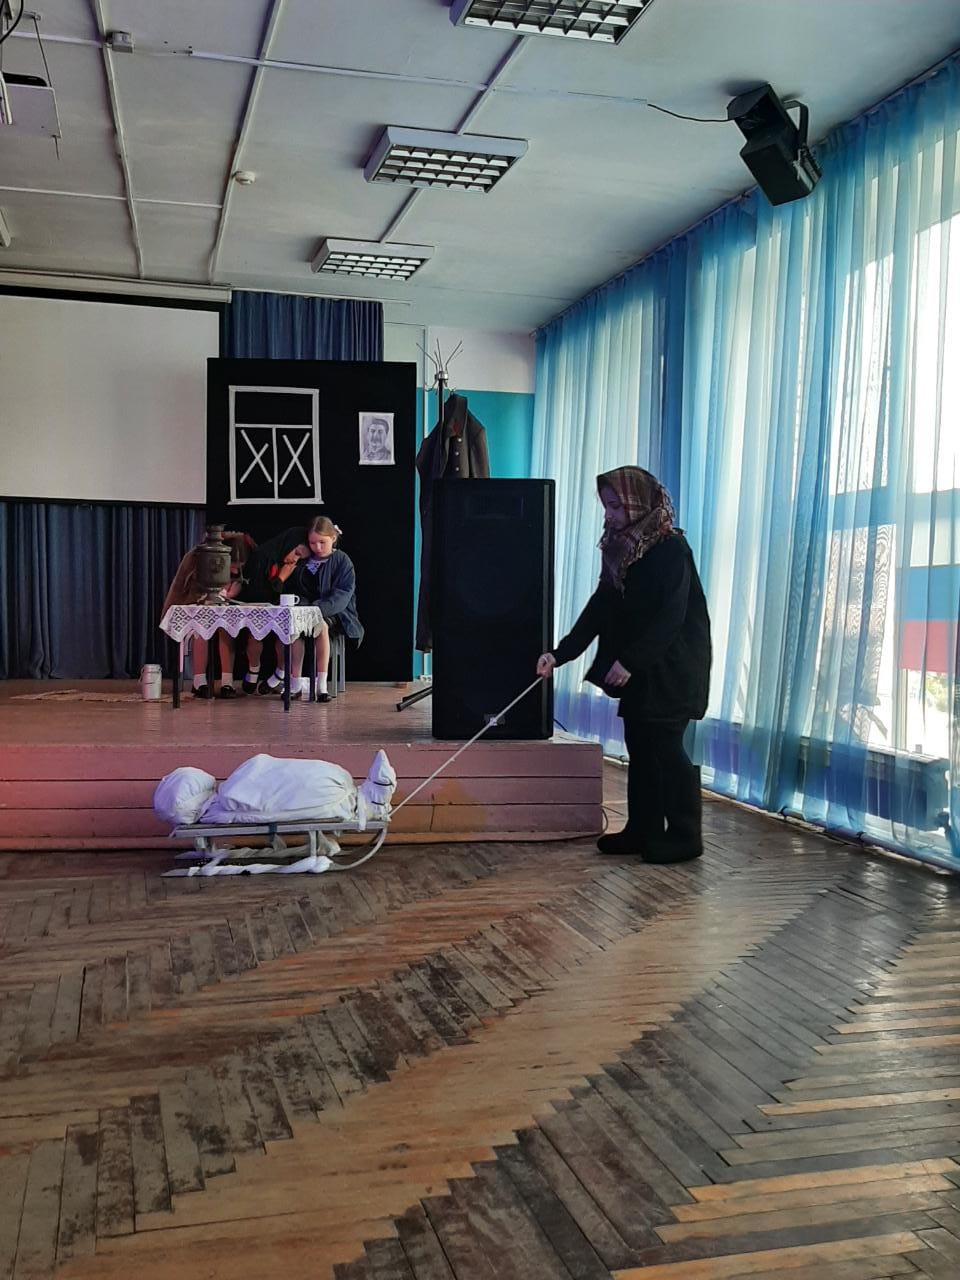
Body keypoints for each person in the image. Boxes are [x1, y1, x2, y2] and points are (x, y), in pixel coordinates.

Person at [537, 466, 711, 863]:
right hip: (640, 668)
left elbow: (670, 616)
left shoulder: (671, 549)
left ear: (636, 502)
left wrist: (630, 661)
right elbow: (600, 608)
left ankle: (685, 836)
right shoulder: (621, 550)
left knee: (666, 749)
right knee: (641, 748)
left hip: (673, 669)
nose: (610, 515)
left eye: (616, 506)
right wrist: (560, 654)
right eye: (606, 506)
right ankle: (642, 830)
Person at [253, 517, 364, 702]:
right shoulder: (305, 560)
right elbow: (294, 588)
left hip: (332, 612)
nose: (317, 548)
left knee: (321, 626)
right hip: (304, 609)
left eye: (322, 542)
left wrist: (316, 610)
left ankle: (321, 685)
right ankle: (294, 682)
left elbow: (343, 594)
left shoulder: (342, 561)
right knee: (293, 628)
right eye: (313, 543)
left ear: (333, 538)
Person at [161, 531, 259, 699]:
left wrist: (228, 594)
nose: (235, 570)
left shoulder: (235, 566)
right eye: (233, 565)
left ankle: (227, 682)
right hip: (192, 601)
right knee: (201, 629)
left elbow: (233, 586)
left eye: (239, 566)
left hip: (220, 604)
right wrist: (221, 595)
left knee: (227, 628)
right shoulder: (199, 558)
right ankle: (199, 682)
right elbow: (190, 589)